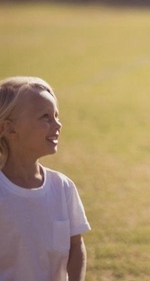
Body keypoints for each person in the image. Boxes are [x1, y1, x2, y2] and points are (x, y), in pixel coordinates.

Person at [0, 76, 90, 281]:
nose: (57, 124)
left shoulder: (63, 187)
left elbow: (76, 246)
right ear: (10, 129)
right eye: (45, 117)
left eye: (56, 115)